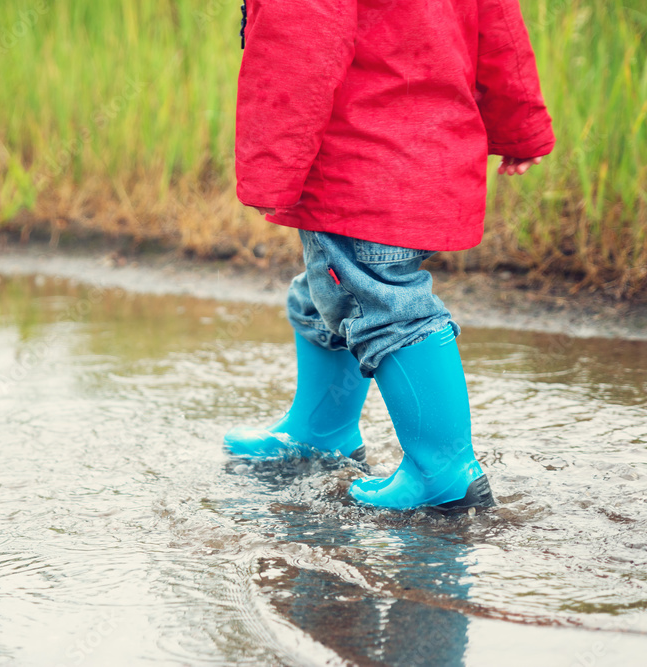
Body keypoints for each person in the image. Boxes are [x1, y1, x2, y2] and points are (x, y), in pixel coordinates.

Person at [226, 0, 555, 511]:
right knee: (328, 291)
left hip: (361, 157)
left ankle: (442, 470)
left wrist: (271, 166)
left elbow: (300, 48)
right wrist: (520, 125)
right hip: (424, 146)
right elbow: (499, 27)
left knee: (380, 303)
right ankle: (322, 429)